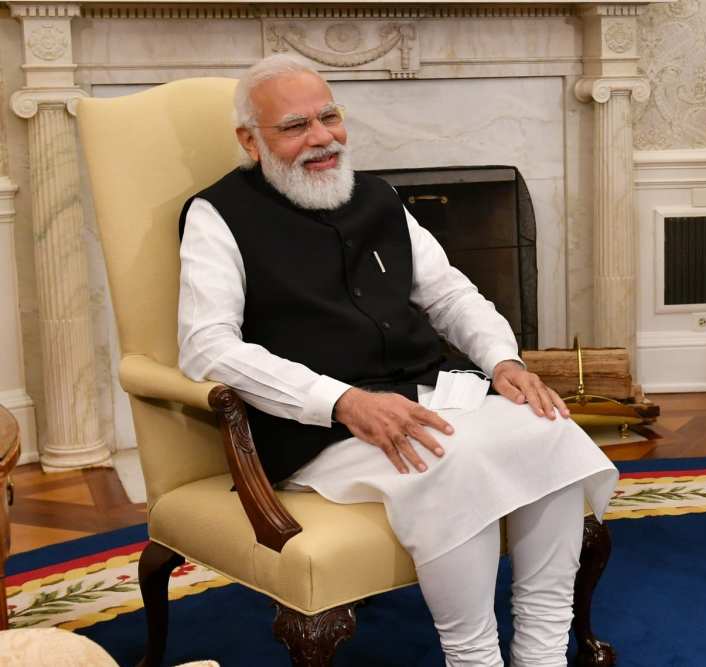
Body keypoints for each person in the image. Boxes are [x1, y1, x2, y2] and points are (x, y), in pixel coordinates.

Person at [176, 54, 618, 667]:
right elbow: (208, 346)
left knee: (547, 428)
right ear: (250, 141)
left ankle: (541, 655)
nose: (322, 138)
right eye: (295, 126)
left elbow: (449, 293)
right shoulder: (216, 215)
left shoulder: (379, 197)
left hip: (422, 394)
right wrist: (342, 401)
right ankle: (475, 659)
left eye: (329, 116)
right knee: (446, 459)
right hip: (316, 427)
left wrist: (504, 363)